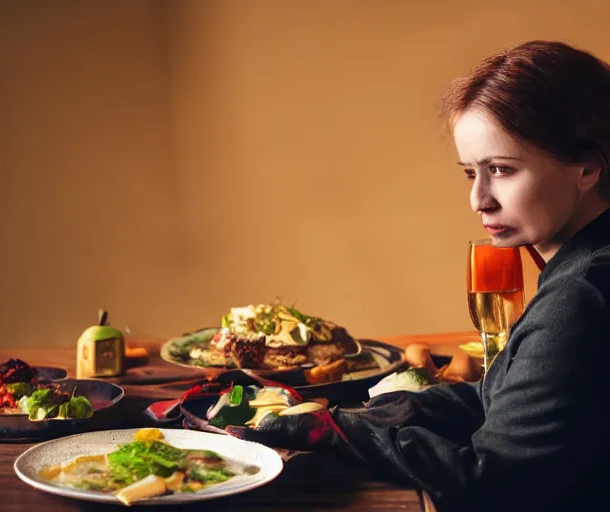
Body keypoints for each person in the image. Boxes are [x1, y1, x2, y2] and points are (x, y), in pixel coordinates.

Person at [226, 40, 610, 511]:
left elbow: (494, 483)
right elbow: (508, 398)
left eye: (502, 170)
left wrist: (335, 435)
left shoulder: (581, 296)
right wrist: (381, 415)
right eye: (471, 173)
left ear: (587, 167)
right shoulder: (586, 266)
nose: (479, 199)